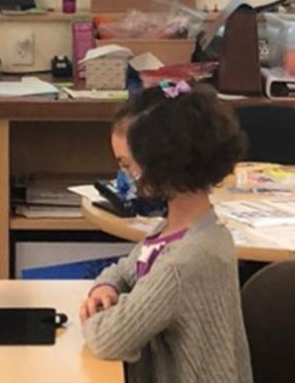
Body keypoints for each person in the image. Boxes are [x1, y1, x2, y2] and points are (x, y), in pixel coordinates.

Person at [80, 82, 251, 383]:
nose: (124, 177)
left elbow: (108, 339)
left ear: (160, 164)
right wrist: (104, 289)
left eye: (127, 165)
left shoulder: (182, 265)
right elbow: (124, 270)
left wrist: (97, 313)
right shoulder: (180, 230)